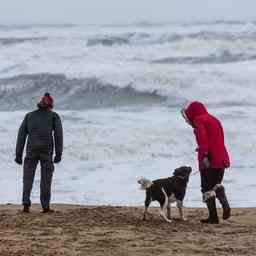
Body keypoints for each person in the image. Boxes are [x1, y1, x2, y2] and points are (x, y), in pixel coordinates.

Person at [181, 101, 231, 224]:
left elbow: (203, 138)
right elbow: (217, 139)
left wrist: (205, 155)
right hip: (222, 158)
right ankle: (224, 203)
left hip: (209, 159)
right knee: (216, 185)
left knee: (206, 188)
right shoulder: (214, 119)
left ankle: (213, 217)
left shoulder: (199, 120)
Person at [15, 93, 63, 213]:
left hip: (31, 150)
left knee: (27, 178)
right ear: (50, 105)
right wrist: (59, 153)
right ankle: (45, 207)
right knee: (46, 180)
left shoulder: (29, 116)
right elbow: (58, 135)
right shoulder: (54, 116)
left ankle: (26, 206)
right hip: (46, 151)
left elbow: (21, 136)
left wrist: (18, 154)